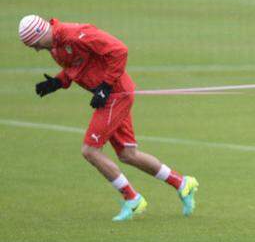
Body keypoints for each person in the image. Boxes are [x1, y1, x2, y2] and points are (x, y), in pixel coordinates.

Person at [19, 15, 199, 222]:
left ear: (41, 34)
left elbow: (119, 50)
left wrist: (105, 86)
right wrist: (57, 83)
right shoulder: (55, 47)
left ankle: (132, 199)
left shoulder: (73, 35)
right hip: (109, 96)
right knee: (127, 154)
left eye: (34, 44)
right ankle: (182, 183)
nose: (35, 49)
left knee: (90, 151)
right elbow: (77, 66)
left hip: (115, 94)